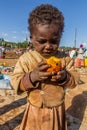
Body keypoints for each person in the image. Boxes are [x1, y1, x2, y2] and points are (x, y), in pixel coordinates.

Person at [10, 4, 77, 130]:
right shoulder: (26, 59)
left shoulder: (64, 59)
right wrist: (32, 77)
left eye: (54, 42)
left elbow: (74, 79)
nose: (48, 46)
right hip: (34, 111)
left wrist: (65, 77)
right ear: (32, 38)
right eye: (42, 41)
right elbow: (15, 82)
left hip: (56, 110)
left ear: (59, 39)